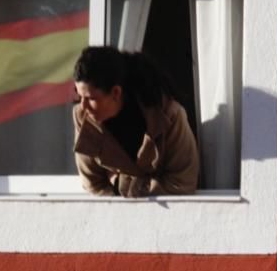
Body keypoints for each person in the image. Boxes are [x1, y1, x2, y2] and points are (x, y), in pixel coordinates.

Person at [72, 46, 199, 197]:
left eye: (91, 98)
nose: (83, 106)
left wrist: (124, 184)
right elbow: (93, 183)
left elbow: (183, 182)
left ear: (116, 93)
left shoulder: (169, 115)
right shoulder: (84, 118)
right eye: (79, 97)